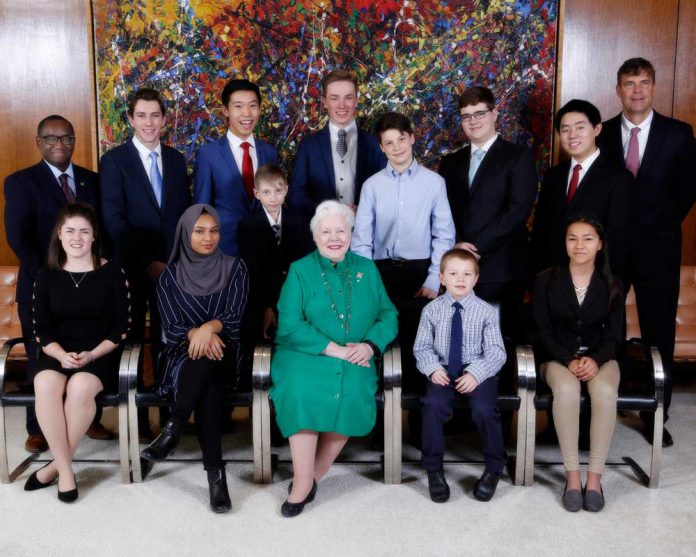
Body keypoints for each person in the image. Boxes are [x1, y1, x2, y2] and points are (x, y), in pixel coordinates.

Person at [270, 200, 398, 517]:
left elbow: (388, 315)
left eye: (341, 231)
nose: (334, 238)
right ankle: (302, 482)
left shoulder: (368, 269)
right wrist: (336, 350)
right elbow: (290, 324)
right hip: (304, 354)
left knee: (353, 392)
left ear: (351, 234)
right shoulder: (300, 270)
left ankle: (312, 476)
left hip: (358, 355)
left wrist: (370, 346)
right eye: (326, 232)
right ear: (315, 236)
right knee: (300, 392)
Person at [598, 57, 696, 447]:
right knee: (609, 326)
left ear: (653, 87)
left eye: (643, 83)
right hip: (612, 250)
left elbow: (689, 188)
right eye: (629, 83)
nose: (636, 91)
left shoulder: (679, 134)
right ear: (618, 90)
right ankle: (612, 399)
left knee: (659, 332)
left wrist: (661, 223)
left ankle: (657, 414)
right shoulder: (602, 133)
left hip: (659, 248)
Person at [3, 114, 111, 453]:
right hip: (41, 285)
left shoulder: (92, 180)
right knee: (40, 355)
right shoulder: (21, 182)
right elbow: (19, 239)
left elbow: (101, 234)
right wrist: (54, 277)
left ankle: (90, 417)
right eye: (51, 138)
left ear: (74, 141)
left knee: (89, 346)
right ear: (39, 142)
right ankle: (38, 428)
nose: (59, 144)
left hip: (88, 287)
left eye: (66, 138)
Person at [140, 204, 248, 513]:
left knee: (210, 362)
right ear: (185, 233)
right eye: (199, 231)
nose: (208, 238)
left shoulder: (236, 268)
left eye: (214, 231)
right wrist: (197, 335)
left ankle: (173, 428)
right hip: (181, 354)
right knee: (208, 385)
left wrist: (209, 329)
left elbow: (235, 317)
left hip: (225, 351)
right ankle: (216, 476)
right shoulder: (169, 276)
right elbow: (172, 327)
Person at [100, 87, 191, 439]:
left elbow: (185, 216)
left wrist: (175, 261)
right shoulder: (114, 161)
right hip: (132, 269)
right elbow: (114, 221)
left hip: (174, 269)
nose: (149, 122)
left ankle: (171, 418)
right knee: (134, 343)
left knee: (172, 341)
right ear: (131, 119)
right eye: (141, 115)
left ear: (164, 119)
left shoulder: (177, 160)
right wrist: (148, 262)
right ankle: (138, 422)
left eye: (155, 115)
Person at [23, 203, 129, 503]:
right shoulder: (46, 275)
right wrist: (61, 355)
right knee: (46, 383)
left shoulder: (112, 272)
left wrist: (92, 355)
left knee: (80, 386)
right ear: (60, 234)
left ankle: (54, 467)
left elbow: (122, 327)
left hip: (100, 354)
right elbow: (41, 329)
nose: (77, 238)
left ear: (94, 236)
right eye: (70, 231)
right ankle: (66, 471)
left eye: (84, 231)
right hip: (57, 353)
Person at [352, 111, 455, 399]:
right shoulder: (372, 186)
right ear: (381, 147)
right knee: (377, 342)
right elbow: (361, 241)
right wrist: (365, 281)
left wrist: (434, 278)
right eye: (389, 142)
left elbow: (444, 235)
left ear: (411, 138)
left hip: (419, 273)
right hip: (379, 273)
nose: (396, 147)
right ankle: (379, 419)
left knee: (419, 347)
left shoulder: (434, 183)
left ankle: (418, 418)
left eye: (401, 139)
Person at [532, 215, 623, 512]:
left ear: (600, 244)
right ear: (565, 243)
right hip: (557, 358)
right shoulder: (546, 280)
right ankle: (572, 478)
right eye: (572, 238)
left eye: (588, 239)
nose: (579, 245)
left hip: (601, 358)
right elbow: (541, 332)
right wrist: (568, 359)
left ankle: (594, 479)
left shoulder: (613, 283)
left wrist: (595, 360)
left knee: (605, 393)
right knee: (568, 391)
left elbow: (615, 335)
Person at [438, 86, 537, 339]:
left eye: (479, 113)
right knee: (458, 340)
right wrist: (458, 245)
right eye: (466, 116)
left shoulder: (518, 156)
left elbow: (518, 209)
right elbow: (443, 211)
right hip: (458, 269)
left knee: (498, 342)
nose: (473, 121)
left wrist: (476, 248)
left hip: (501, 268)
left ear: (494, 114)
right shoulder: (450, 163)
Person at [414, 248, 507, 503]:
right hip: (442, 369)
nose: (460, 279)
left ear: (476, 278)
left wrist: (476, 374)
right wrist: (433, 368)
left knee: (485, 410)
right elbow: (422, 347)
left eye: (467, 274)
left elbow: (496, 352)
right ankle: (434, 469)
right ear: (442, 278)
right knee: (433, 405)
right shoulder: (431, 310)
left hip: (476, 370)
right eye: (453, 273)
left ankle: (494, 466)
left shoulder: (486, 311)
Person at [531, 99, 633, 278]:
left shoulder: (619, 177)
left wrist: (610, 283)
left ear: (597, 129)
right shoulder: (553, 175)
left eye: (580, 127)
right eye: (565, 130)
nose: (572, 135)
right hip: (552, 277)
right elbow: (540, 231)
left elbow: (618, 238)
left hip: (596, 279)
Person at [195, 79, 278, 256]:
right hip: (224, 250)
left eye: (252, 106)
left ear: (260, 108)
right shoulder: (208, 155)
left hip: (265, 250)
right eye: (238, 106)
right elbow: (202, 209)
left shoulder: (269, 153)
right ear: (225, 110)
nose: (247, 113)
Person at [289, 69, 386, 216]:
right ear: (325, 102)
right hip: (322, 229)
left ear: (356, 100)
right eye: (334, 98)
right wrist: (325, 213)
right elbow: (295, 195)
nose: (342, 105)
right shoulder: (309, 146)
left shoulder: (375, 145)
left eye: (348, 97)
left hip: (364, 229)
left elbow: (388, 192)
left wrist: (363, 211)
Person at [237, 164, 314, 344]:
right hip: (262, 298)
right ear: (256, 193)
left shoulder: (300, 222)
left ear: (286, 190)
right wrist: (267, 306)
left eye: (278, 191)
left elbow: (305, 264)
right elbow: (252, 271)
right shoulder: (247, 225)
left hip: (295, 296)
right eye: (266, 192)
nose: (273, 198)